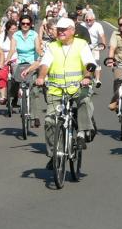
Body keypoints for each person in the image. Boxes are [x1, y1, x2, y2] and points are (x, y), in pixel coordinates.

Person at [36, 17, 97, 168]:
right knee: (50, 121)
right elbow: (45, 64)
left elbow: (89, 63)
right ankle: (54, 154)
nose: (61, 32)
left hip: (77, 87)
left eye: (64, 30)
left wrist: (87, 77)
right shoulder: (52, 46)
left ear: (72, 31)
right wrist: (41, 77)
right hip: (56, 89)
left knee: (84, 101)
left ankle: (83, 133)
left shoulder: (81, 44)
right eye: (59, 30)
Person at [6, 15, 42, 127]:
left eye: (27, 23)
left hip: (33, 63)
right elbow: (12, 50)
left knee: (34, 91)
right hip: (20, 62)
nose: (25, 25)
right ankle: (14, 98)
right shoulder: (16, 35)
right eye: (23, 23)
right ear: (20, 24)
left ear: (31, 24)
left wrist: (42, 55)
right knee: (14, 80)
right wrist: (7, 60)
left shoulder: (34, 34)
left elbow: (37, 48)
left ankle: (35, 117)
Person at [82, 12, 107, 87]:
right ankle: (85, 78)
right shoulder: (83, 25)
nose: (88, 21)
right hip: (85, 47)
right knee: (85, 63)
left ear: (94, 20)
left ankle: (97, 79)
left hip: (95, 46)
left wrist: (103, 45)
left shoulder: (98, 25)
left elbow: (102, 36)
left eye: (90, 20)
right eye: (87, 20)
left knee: (96, 62)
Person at [0, 20, 18, 104]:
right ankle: (3, 96)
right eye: (12, 29)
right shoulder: (2, 36)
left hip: (15, 57)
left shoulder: (18, 36)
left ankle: (17, 93)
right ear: (8, 29)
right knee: (1, 74)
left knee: (17, 75)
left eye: (15, 29)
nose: (14, 31)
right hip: (3, 57)